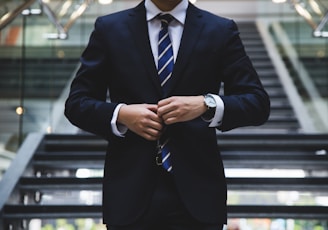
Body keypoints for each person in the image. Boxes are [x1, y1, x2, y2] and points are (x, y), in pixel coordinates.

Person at [64, 0, 270, 229]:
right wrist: (121, 114)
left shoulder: (220, 29)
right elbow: (77, 103)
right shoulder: (110, 28)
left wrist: (206, 104)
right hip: (129, 194)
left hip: (199, 195)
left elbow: (257, 103)